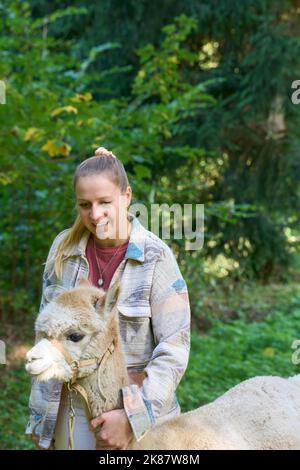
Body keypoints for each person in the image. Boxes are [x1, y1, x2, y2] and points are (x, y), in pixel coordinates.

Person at [26, 147, 191, 450]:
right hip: (69, 417)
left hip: (138, 431)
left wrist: (131, 419)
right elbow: (46, 337)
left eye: (105, 202)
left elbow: (174, 349)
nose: (95, 214)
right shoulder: (64, 250)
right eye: (84, 205)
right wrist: (41, 418)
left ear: (127, 196)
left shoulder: (156, 258)